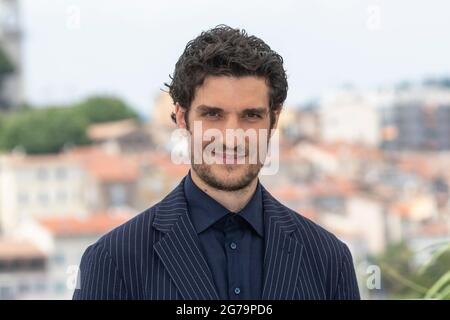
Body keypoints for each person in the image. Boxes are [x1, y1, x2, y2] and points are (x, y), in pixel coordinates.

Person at [73, 25, 360, 300]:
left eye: (250, 116)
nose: (232, 139)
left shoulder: (329, 261)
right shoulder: (113, 261)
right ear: (183, 118)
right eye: (213, 115)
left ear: (274, 119)